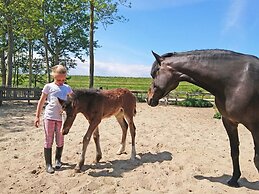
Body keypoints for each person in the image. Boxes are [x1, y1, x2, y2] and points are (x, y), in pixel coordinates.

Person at [34, 64, 73, 174]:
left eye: (63, 79)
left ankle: (58, 160)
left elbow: (73, 101)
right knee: (48, 139)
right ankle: (48, 164)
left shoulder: (67, 88)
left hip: (61, 119)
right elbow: (41, 101)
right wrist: (37, 116)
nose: (60, 81)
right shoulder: (48, 87)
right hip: (49, 117)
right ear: (53, 76)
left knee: (60, 139)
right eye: (58, 79)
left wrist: (67, 111)